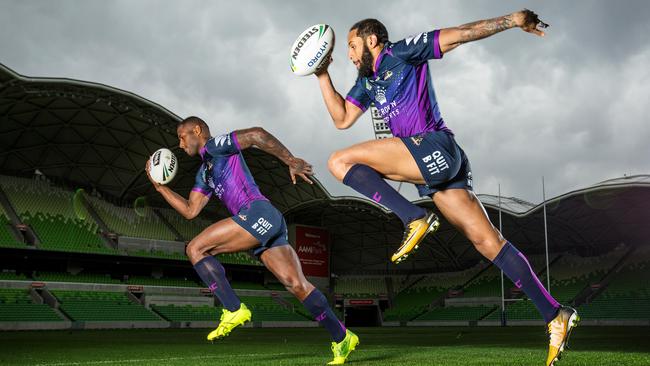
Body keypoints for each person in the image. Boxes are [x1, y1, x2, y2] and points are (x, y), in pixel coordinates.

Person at [313, 10, 576, 366]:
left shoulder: (403, 52)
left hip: (435, 146)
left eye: (351, 45)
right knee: (488, 243)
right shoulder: (367, 83)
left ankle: (413, 218)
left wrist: (513, 20)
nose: (348, 54)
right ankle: (554, 313)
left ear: (371, 40)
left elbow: (461, 34)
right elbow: (342, 118)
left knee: (338, 162)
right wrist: (321, 73)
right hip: (437, 169)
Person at [146, 117, 358, 365]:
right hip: (266, 222)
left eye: (182, 137)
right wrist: (160, 188)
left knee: (195, 248)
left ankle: (234, 309)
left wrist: (291, 161)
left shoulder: (217, 146)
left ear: (197, 130)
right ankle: (342, 337)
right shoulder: (204, 172)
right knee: (297, 285)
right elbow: (191, 210)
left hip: (257, 213)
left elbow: (257, 134)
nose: (180, 144)